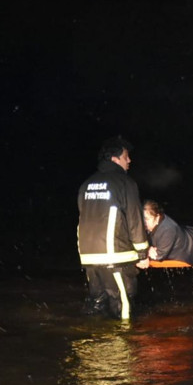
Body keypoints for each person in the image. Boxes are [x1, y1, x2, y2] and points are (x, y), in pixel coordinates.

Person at [77, 136, 150, 318]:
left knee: (97, 306)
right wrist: (142, 253)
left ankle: (92, 343)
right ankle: (123, 345)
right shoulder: (125, 183)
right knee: (123, 308)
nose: (129, 160)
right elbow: (134, 219)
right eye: (126, 157)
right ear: (115, 159)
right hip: (116, 257)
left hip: (89, 258)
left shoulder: (86, 184)